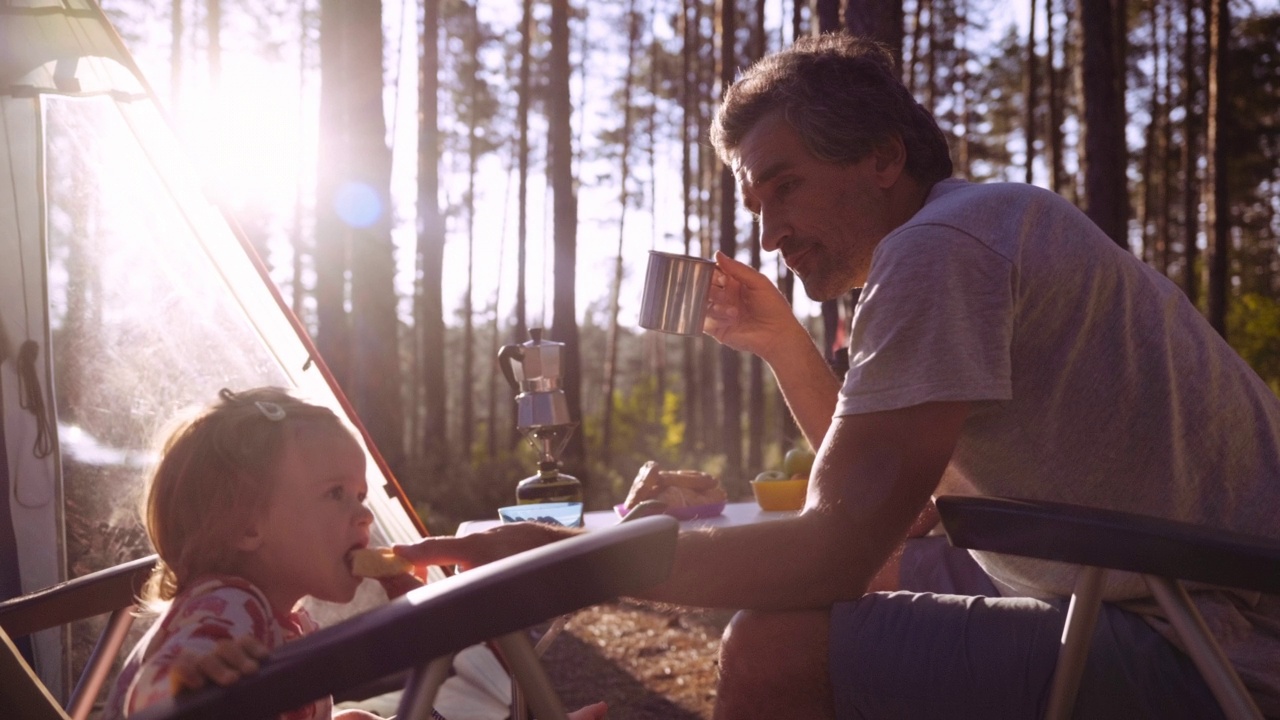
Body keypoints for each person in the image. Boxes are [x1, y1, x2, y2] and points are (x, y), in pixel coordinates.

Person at [397, 33, 1280, 719]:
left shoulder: (939, 249)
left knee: (774, 652)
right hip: (1161, 592)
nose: (770, 231)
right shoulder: (978, 226)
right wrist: (785, 345)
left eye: (786, 186)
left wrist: (570, 562)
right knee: (890, 567)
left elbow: (831, 547)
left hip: (1213, 647)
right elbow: (898, 498)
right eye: (755, 202)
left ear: (884, 158)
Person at [103, 387, 608, 720]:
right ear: (248, 522)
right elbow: (153, 696)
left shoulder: (274, 614)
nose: (364, 516)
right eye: (334, 494)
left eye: (361, 496)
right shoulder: (227, 608)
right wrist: (194, 678)